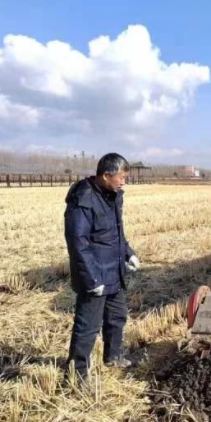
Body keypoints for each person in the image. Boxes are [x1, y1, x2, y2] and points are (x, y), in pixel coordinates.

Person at [63, 153, 140, 381]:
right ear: (106, 175)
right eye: (121, 177)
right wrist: (92, 278)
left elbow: (115, 232)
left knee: (117, 317)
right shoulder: (83, 199)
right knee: (88, 326)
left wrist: (128, 253)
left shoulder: (113, 196)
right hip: (95, 273)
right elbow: (78, 242)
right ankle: (76, 375)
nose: (124, 182)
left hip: (114, 270)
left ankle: (113, 356)